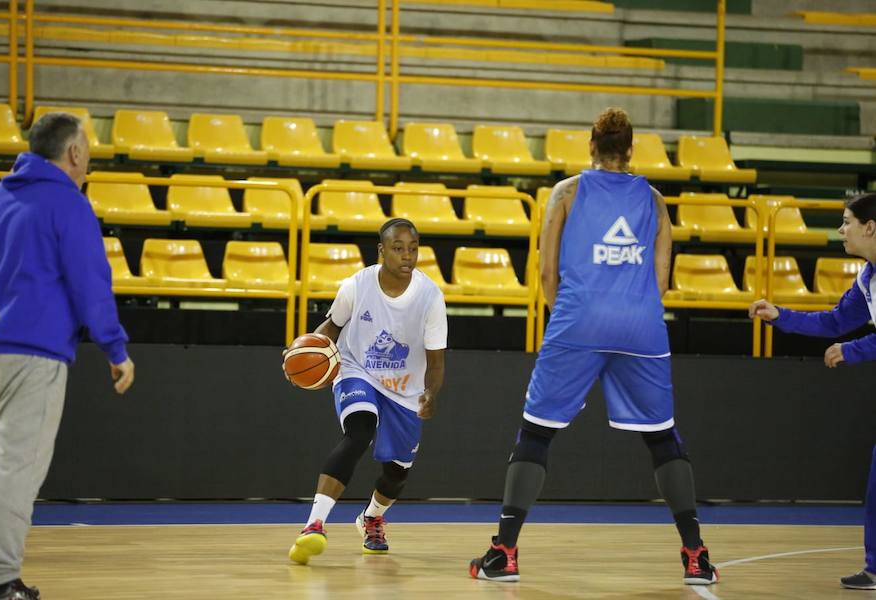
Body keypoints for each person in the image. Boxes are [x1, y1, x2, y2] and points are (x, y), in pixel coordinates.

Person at [469, 107, 717, 585]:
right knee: (662, 437)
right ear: (630, 151)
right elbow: (661, 280)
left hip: (578, 318)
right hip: (641, 322)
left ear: (590, 146)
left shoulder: (567, 192)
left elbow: (546, 273)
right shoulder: (655, 201)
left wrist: (574, 320)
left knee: (537, 432)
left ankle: (504, 553)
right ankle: (696, 557)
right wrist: (629, 312)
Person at [0, 113, 135, 600]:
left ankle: (1, 575)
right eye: (86, 150)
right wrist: (115, 348)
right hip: (34, 352)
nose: (88, 160)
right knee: (17, 472)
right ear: (73, 154)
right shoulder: (68, 204)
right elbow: (91, 281)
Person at [287, 217, 446, 564]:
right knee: (359, 432)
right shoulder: (356, 286)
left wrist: (431, 394)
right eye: (398, 248)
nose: (407, 256)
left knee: (397, 472)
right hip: (356, 369)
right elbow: (331, 327)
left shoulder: (430, 297)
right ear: (381, 250)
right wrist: (303, 352)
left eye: (413, 249)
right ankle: (314, 524)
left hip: (405, 389)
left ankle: (372, 518)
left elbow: (435, 362)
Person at [749, 192, 876, 590]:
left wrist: (853, 350)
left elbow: (847, 340)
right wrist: (779, 316)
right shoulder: (867, 278)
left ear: (870, 228)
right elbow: (834, 323)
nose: (841, 230)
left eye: (846, 222)